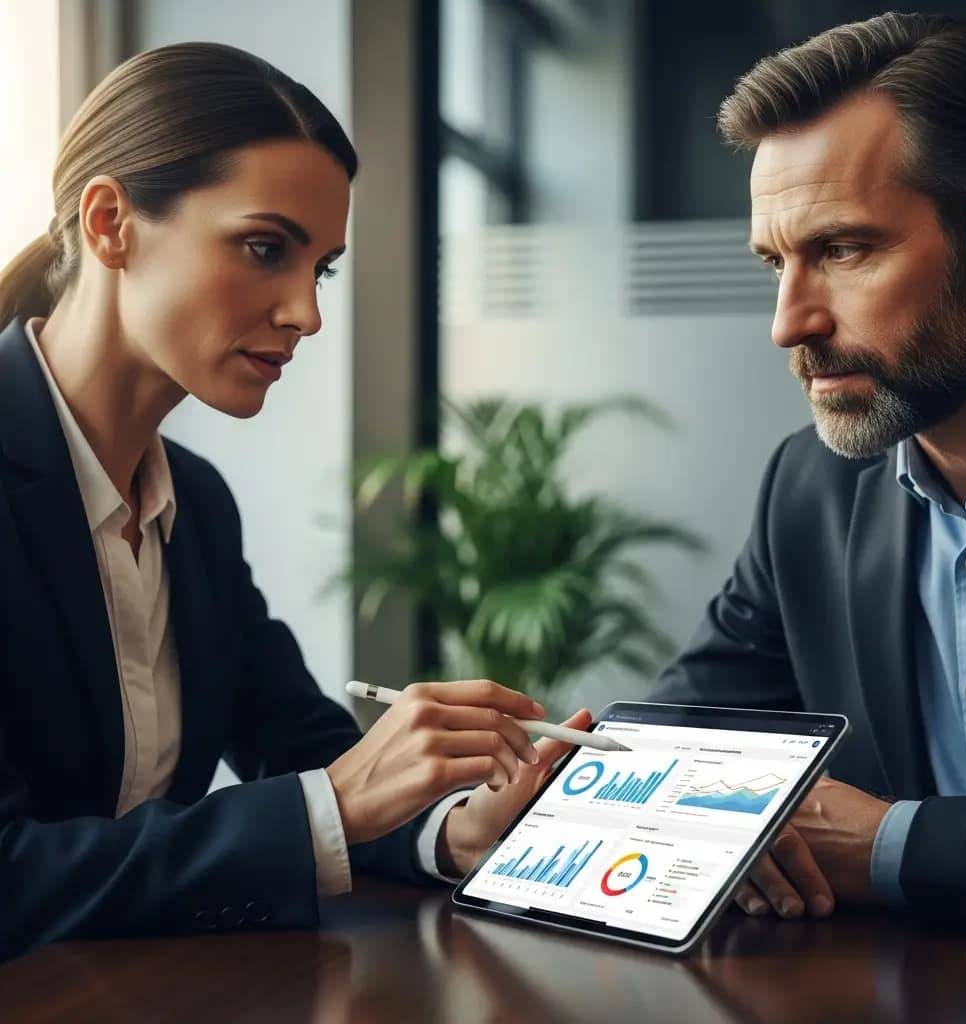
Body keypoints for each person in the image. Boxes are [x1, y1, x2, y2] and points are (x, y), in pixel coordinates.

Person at [0, 42, 590, 961]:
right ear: (112, 222)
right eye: (264, 248)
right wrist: (337, 803)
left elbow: (295, 744)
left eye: (322, 268)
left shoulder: (192, 502)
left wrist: (451, 826)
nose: (306, 314)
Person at [650, 12, 966, 930]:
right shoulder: (810, 491)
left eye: (844, 250)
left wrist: (893, 843)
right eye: (774, 262)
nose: (789, 322)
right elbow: (676, 751)